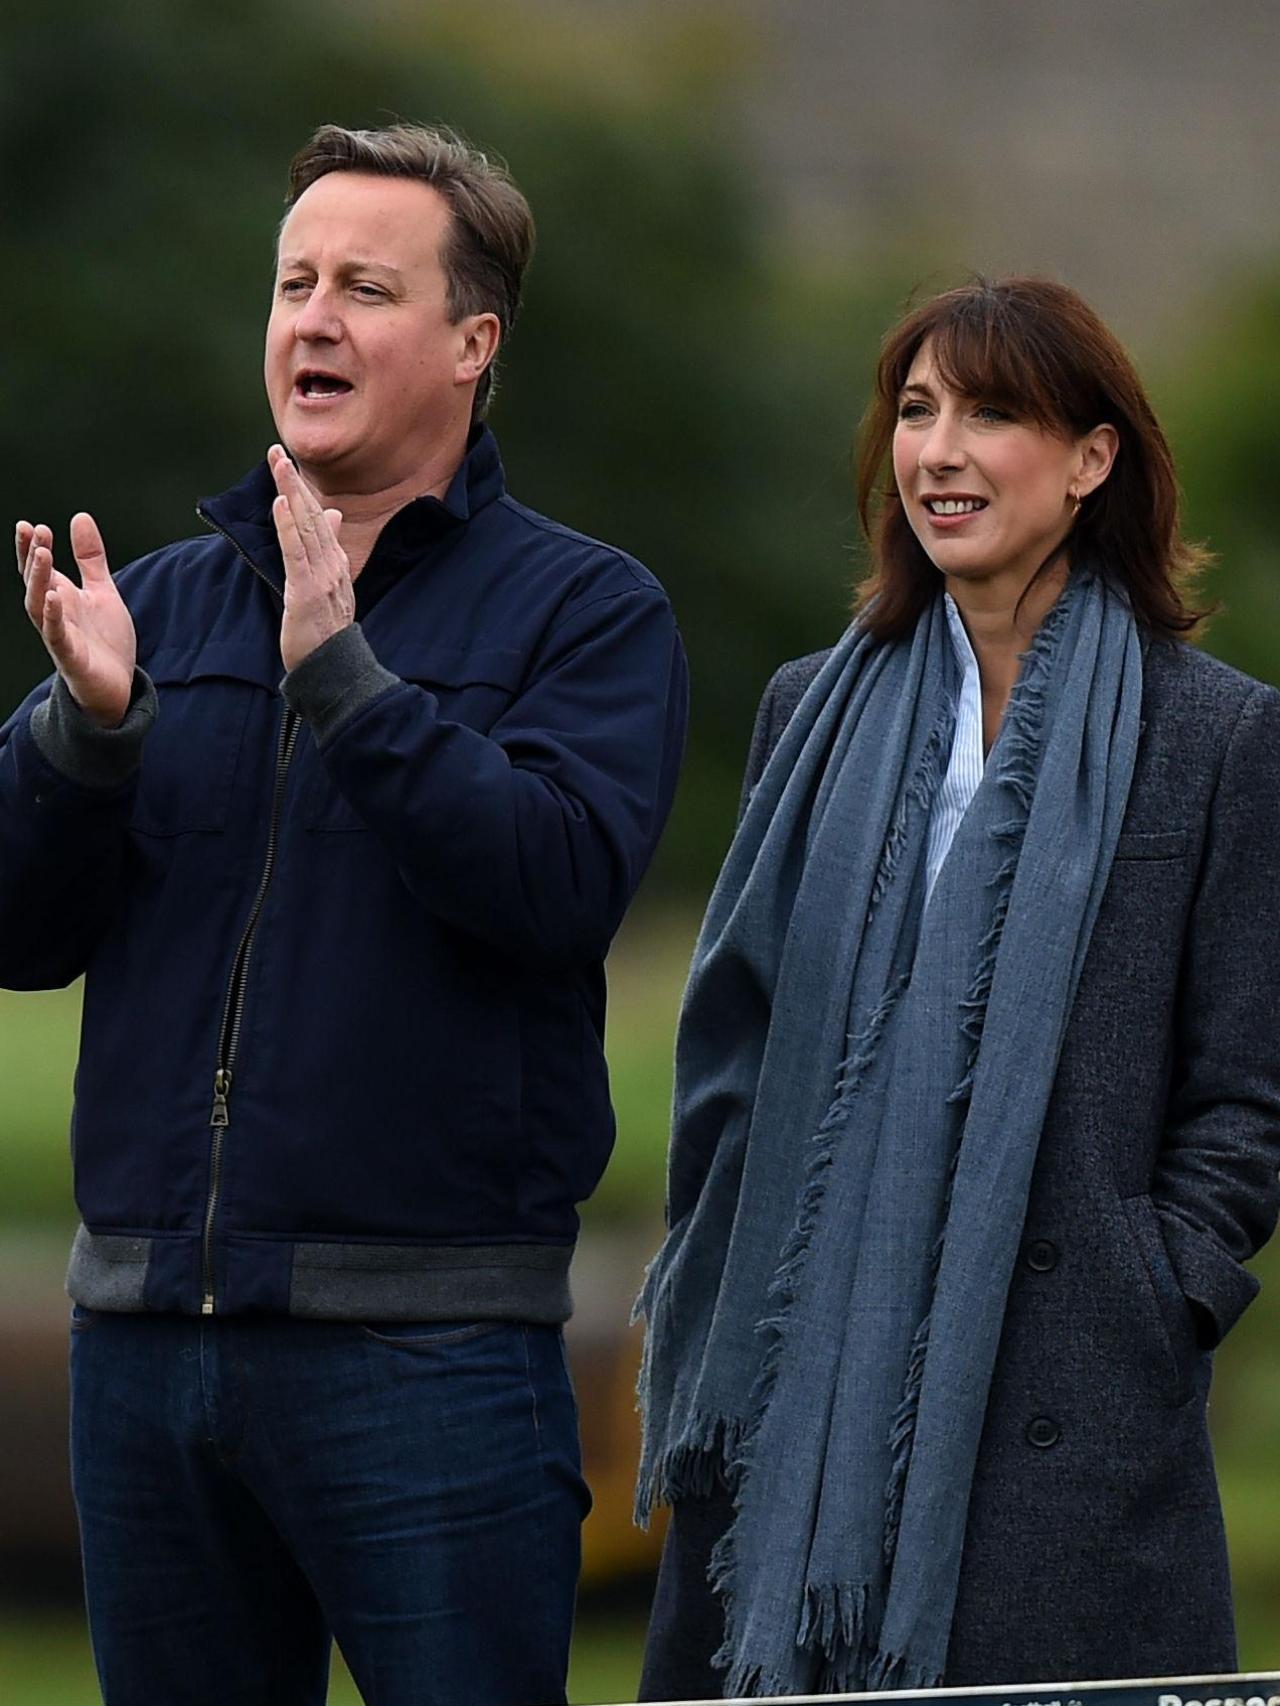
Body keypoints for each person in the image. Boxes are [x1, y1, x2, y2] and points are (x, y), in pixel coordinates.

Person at [3, 122, 687, 1706]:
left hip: (429, 1364)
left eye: (363, 287)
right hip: (145, 1343)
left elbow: (554, 879)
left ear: (471, 343)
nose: (309, 317)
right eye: (292, 281)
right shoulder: (157, 606)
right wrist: (81, 737)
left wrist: (349, 686)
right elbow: (17, 934)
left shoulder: (588, 611)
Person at [634, 276, 1280, 1694]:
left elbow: (1250, 1092)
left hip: (1064, 1395)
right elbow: (735, 1035)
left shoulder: (1217, 736)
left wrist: (1149, 1286)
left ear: (1093, 458)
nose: (938, 451)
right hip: (794, 1376)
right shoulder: (811, 710)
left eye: (991, 413)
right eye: (916, 411)